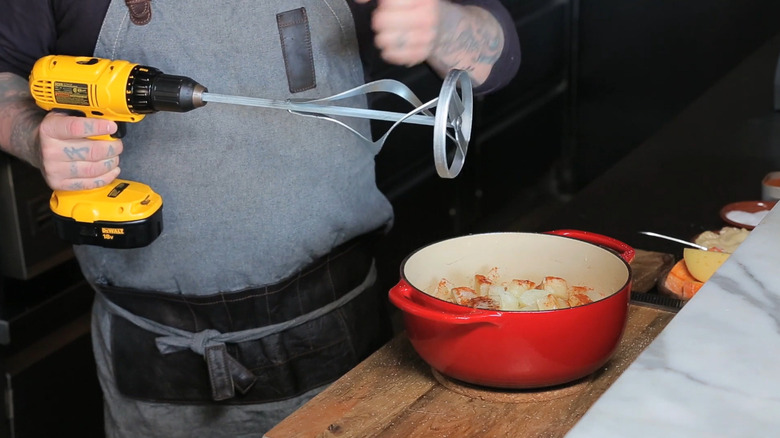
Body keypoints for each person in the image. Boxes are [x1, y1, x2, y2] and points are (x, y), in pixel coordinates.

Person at [0, 0, 520, 436]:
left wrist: (444, 24)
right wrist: (31, 133)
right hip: (155, 357)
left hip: (337, 329)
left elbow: (498, 56)